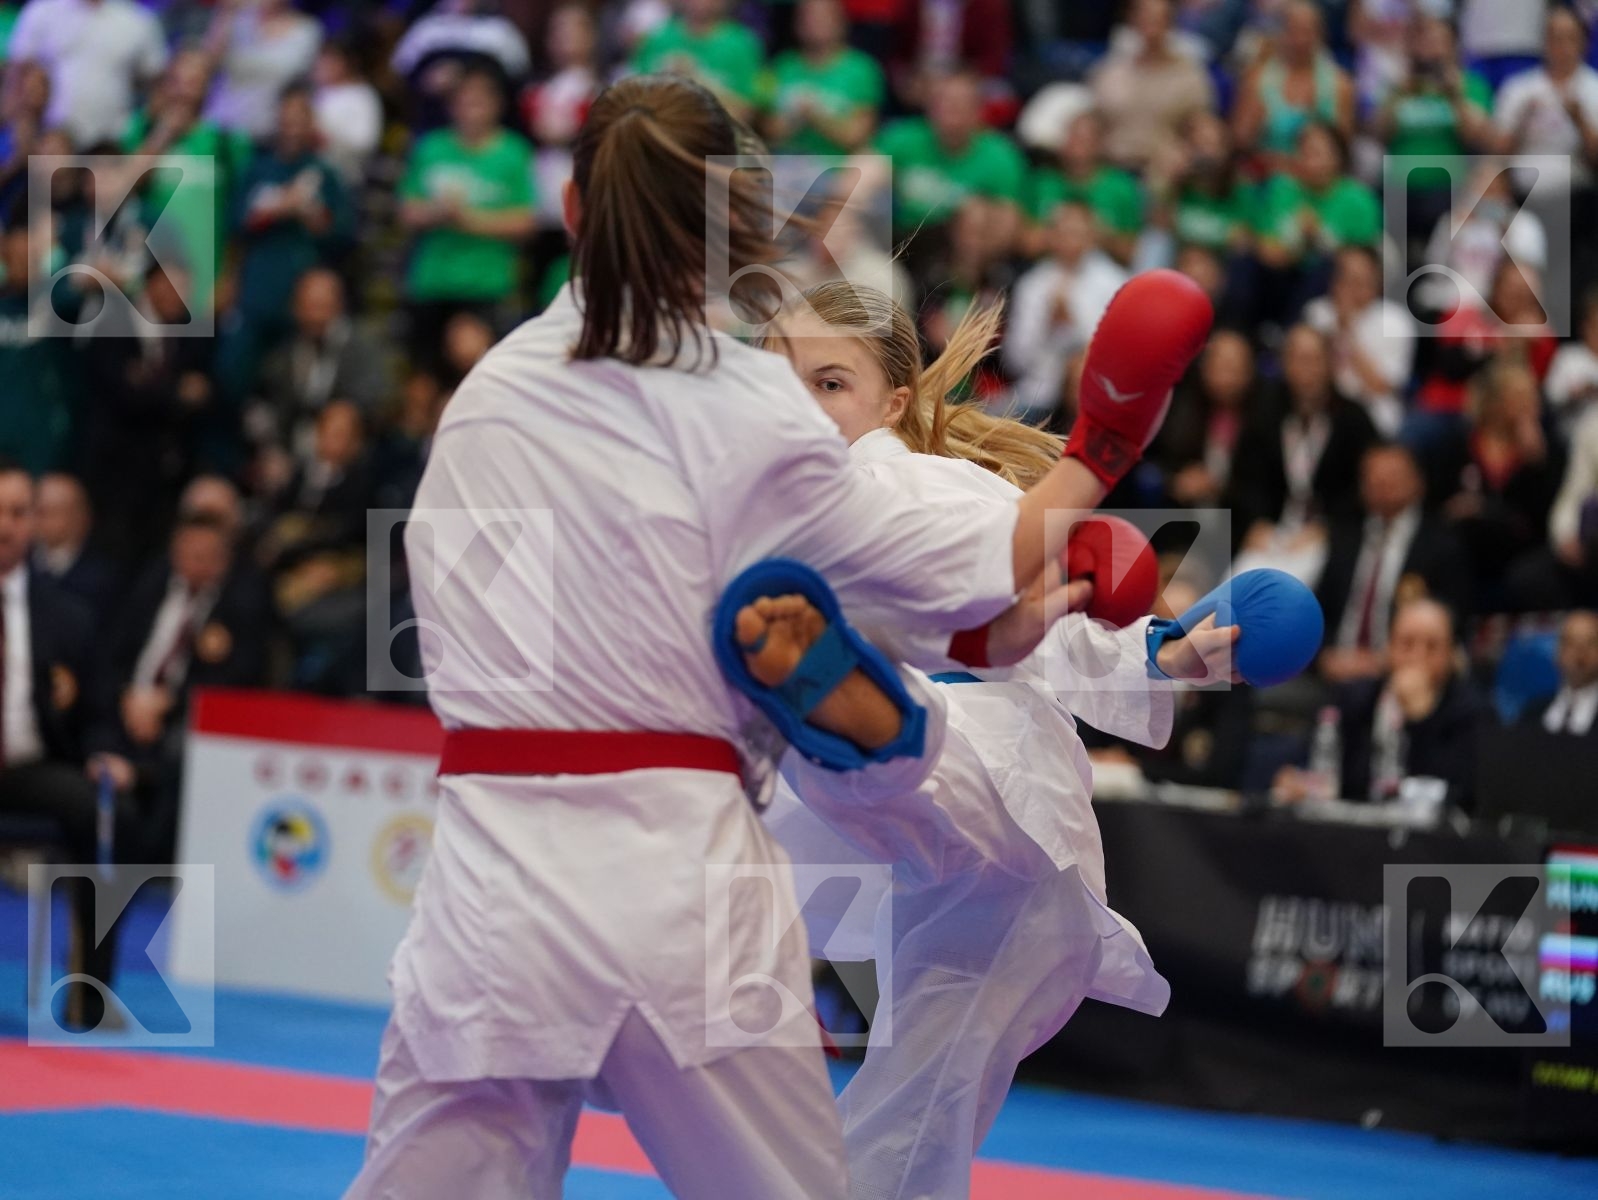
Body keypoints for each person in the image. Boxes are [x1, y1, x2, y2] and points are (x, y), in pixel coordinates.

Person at [344, 74, 1207, 1200]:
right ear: (739, 237)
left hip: (487, 875)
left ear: (566, 213)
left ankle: (882, 742)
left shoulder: (484, 400)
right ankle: (883, 742)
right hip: (678, 874)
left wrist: (993, 636)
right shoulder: (749, 408)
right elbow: (982, 589)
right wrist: (1100, 444)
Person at [762, 280, 1238, 1200]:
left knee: (902, 1139)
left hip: (995, 825)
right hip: (950, 877)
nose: (801, 406)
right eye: (780, 380)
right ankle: (852, 716)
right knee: (896, 1132)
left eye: (829, 383)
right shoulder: (775, 501)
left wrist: (1163, 655)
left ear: (892, 402)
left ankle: (865, 717)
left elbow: (1037, 606)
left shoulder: (907, 476)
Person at [0, 462, 123, 1030]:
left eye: (19, 513)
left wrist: (103, 751)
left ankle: (89, 999)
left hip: (28, 764)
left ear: (35, 523)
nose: (6, 525)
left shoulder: (67, 614)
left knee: (96, 807)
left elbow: (99, 710)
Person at [1276, 598, 1483, 808]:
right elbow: (1326, 774)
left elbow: (1459, 793)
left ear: (1451, 654)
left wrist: (1420, 719)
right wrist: (1300, 783)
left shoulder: (1470, 711)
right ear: (1389, 647)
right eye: (1407, 643)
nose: (1417, 656)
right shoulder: (1354, 699)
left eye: (1432, 647)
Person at [398, 65, 534, 368]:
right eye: (463, 102)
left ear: (495, 105)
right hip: (431, 280)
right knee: (423, 376)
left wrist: (469, 219)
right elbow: (407, 210)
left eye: (478, 102)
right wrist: (438, 213)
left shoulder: (513, 152)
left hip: (485, 283)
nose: (470, 111)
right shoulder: (431, 148)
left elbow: (525, 221)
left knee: (474, 367)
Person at [1317, 442, 1469, 685]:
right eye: (1373, 477)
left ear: (1419, 481)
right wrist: (1325, 656)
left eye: (1393, 475)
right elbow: (1320, 607)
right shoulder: (1344, 537)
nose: (1382, 483)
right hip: (1335, 667)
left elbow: (1450, 622)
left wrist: (1388, 659)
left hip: (1404, 674)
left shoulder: (1441, 545)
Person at [1002, 201, 1127, 421]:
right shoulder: (1032, 284)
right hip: (1037, 396)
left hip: (1097, 398)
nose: (1070, 240)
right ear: (1051, 235)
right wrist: (1046, 325)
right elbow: (1014, 361)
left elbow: (1120, 354)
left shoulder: (1116, 283)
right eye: (1063, 232)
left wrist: (1073, 323)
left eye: (1077, 233)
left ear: (1092, 236)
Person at [8, 0, 167, 147]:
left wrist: (138, 134)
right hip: (47, 142)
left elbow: (156, 82)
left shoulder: (138, 19)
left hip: (110, 143)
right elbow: (17, 75)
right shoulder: (41, 11)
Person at [1303, 244, 1415, 438]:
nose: (1350, 287)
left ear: (1377, 281)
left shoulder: (1395, 321)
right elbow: (1306, 375)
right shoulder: (1317, 313)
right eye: (1344, 277)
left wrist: (1347, 331)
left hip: (1373, 416)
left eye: (1359, 280)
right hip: (1321, 415)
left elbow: (1381, 386)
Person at [1091, 0, 1216, 171]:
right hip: (1112, 167)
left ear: (1170, 23)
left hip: (1165, 170)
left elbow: (1202, 130)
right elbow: (1094, 124)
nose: (1151, 25)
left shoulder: (1189, 76)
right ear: (1132, 21)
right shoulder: (1109, 72)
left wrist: (1187, 155)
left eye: (1158, 19)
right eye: (1145, 17)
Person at [1230, 0, 1354, 170]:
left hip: (1323, 178)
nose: (1300, 40)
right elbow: (1240, 144)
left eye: (1307, 32)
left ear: (1320, 35)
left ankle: (1397, 195)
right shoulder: (1256, 81)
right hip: (1271, 177)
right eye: (1293, 30)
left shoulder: (1341, 85)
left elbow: (1344, 149)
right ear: (1281, 33)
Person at [201, 0, 322, 141]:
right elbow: (208, 64)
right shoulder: (236, 20)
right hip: (218, 126)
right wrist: (227, 12)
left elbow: (306, 85)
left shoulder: (307, 30)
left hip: (269, 135)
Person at [32, 473, 115, 622]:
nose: (37, 519)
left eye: (49, 512)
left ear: (79, 518)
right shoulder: (18, 560)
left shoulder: (101, 580)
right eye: (35, 510)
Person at [1521, 609, 1598, 738]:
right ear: (1557, 652)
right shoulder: (1533, 712)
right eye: (1571, 643)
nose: (1580, 654)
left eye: (1590, 643)